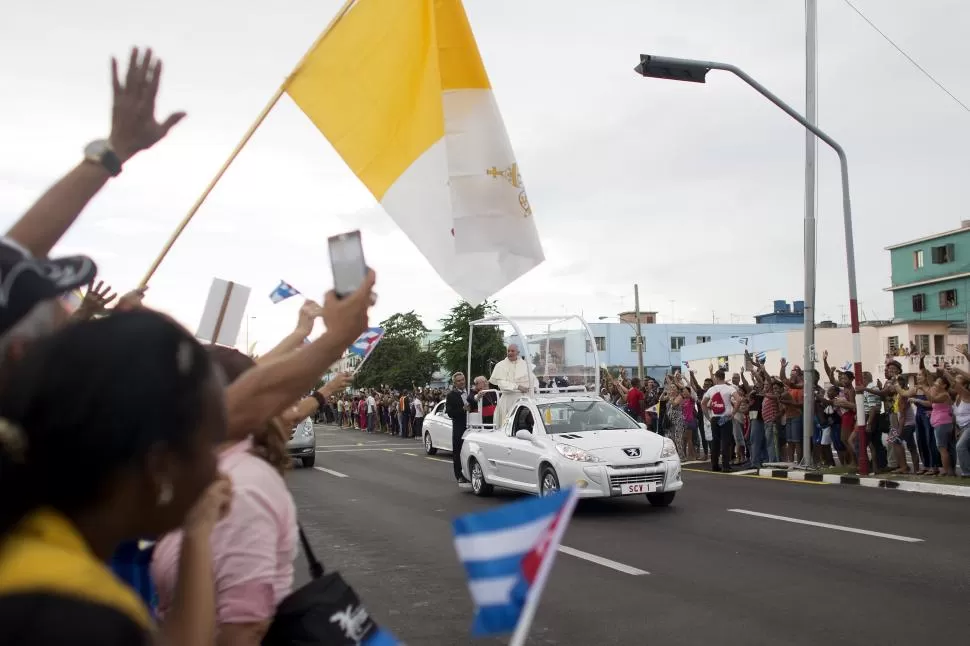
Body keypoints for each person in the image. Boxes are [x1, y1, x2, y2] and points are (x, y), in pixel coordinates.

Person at [0, 310, 231, 646]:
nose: (218, 467)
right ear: (160, 466)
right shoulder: (78, 619)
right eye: (213, 443)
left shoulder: (28, 553)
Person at [701, 369, 739, 472]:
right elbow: (739, 399)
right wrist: (733, 412)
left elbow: (703, 403)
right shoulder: (729, 388)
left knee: (715, 442)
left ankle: (714, 465)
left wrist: (708, 417)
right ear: (723, 377)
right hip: (726, 417)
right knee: (726, 442)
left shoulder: (711, 389)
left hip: (715, 417)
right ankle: (725, 466)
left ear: (716, 378)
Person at [489, 344, 533, 427]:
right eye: (508, 351)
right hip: (508, 399)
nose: (510, 353)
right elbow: (502, 384)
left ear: (518, 352)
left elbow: (530, 381)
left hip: (523, 399)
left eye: (512, 351)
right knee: (506, 425)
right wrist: (518, 387)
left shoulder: (525, 365)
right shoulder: (500, 365)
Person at [446, 372, 470, 487]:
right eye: (459, 381)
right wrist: (463, 409)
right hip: (459, 426)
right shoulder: (451, 395)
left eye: (463, 379)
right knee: (458, 451)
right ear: (455, 383)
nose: (462, 382)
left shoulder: (470, 392)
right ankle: (459, 475)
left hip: (471, 425)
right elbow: (450, 413)